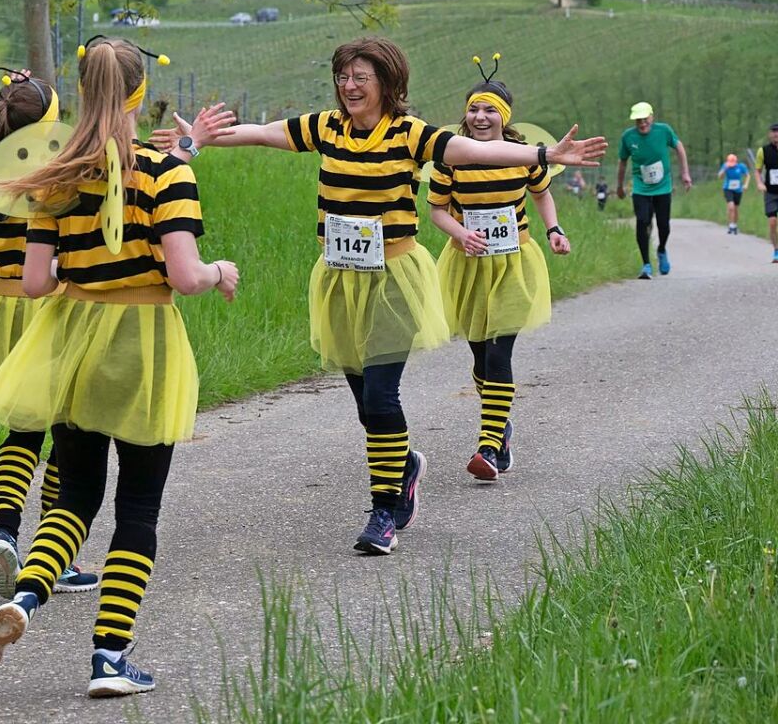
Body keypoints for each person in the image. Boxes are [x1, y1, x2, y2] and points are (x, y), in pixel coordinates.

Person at [152, 38, 606, 554]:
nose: (349, 86)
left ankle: (384, 511)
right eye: (343, 77)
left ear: (388, 84)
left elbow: (477, 150)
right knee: (367, 406)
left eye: (360, 77)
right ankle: (404, 463)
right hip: (340, 278)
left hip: (395, 278)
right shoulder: (325, 127)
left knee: (380, 396)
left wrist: (546, 153)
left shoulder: (409, 134)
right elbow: (263, 133)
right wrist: (204, 139)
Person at [0, 37, 238, 698]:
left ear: (83, 92)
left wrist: (83, 274)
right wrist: (220, 271)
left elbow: (33, 284)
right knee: (137, 507)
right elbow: (184, 274)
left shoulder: (56, 176)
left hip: (73, 344)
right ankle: (109, 657)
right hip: (144, 347)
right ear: (140, 95)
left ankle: (24, 601)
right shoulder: (168, 172)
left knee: (76, 495)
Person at [0, 68, 99, 598]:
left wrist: (20, 96)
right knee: (67, 437)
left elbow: (17, 120)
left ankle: (4, 531)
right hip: (46, 313)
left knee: (21, 432)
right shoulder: (53, 180)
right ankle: (54, 557)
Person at [428, 66, 570, 481]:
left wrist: (554, 229)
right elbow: (437, 209)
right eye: (474, 109)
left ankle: (488, 446)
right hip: (466, 264)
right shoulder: (450, 157)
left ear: (505, 117)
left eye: (490, 110)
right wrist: (461, 233)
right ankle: (500, 422)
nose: (481, 117)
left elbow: (542, 193)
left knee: (498, 352)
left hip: (513, 261)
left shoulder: (522, 157)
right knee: (478, 354)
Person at [616, 101, 692, 279]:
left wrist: (685, 173)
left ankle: (662, 249)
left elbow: (679, 147)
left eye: (645, 119)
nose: (642, 123)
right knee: (642, 222)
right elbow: (622, 162)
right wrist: (619, 186)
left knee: (663, 225)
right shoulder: (628, 137)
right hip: (641, 187)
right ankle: (646, 265)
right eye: (638, 120)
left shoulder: (663, 130)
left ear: (652, 117)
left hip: (663, 186)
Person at [753, 123, 778, 263]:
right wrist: (759, 183)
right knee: (772, 221)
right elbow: (757, 170)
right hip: (771, 192)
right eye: (773, 131)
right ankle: (776, 250)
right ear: (770, 134)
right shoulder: (763, 151)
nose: (776, 134)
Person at [718, 153, 750, 234]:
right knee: (731, 206)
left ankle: (734, 225)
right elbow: (720, 177)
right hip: (728, 189)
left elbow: (748, 175)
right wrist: (724, 170)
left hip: (738, 189)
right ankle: (730, 224)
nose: (731, 165)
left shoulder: (741, 166)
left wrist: (746, 184)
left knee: (736, 208)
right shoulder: (725, 166)